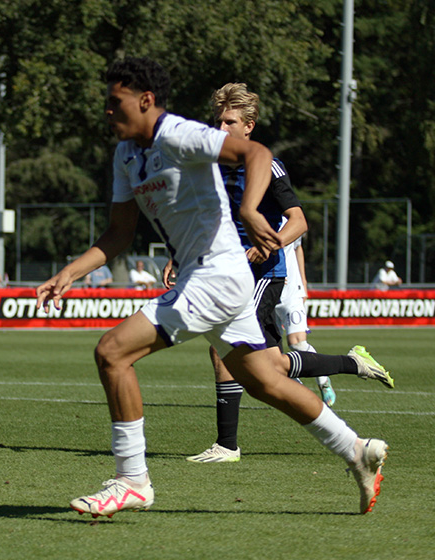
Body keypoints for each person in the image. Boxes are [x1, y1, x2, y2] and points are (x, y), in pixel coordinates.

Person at [35, 58, 389, 518]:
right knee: (265, 381)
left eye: (115, 101)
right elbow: (119, 234)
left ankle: (131, 480)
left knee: (112, 351)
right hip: (209, 278)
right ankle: (357, 451)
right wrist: (71, 272)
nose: (108, 110)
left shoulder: (179, 134)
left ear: (145, 101)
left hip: (217, 276)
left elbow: (257, 153)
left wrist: (248, 210)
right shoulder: (125, 155)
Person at [179, 82, 394, 465]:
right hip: (232, 271)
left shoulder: (267, 166)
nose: (221, 128)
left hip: (265, 273)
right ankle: (353, 363)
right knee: (274, 364)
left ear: (250, 126)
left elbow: (299, 221)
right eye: (218, 121)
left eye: (230, 121)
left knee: (223, 348)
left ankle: (227, 446)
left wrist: (269, 243)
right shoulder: (211, 166)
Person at [275, 232, 335, 405]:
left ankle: (323, 382)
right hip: (265, 293)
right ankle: (301, 393)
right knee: (271, 354)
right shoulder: (251, 217)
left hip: (291, 292)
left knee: (297, 343)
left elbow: (297, 247)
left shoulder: (288, 216)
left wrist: (304, 282)